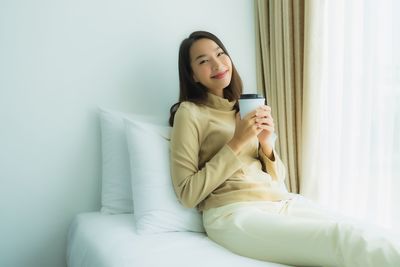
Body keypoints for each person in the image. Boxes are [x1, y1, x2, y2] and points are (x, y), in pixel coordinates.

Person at [169, 30, 400, 267]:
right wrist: (237, 142)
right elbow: (187, 193)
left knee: (361, 230)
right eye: (203, 61)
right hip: (233, 214)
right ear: (192, 75)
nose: (217, 64)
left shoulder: (242, 108)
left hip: (281, 202)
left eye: (220, 54)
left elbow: (278, 179)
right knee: (345, 239)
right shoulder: (189, 113)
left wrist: (267, 143)